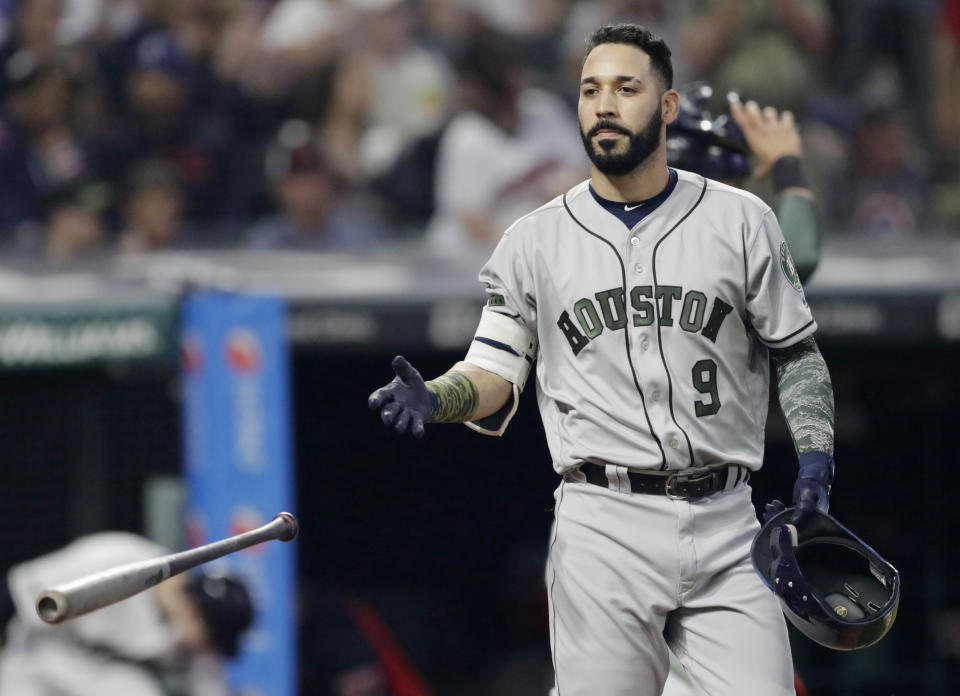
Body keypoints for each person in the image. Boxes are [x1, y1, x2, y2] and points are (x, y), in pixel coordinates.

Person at [368, 23, 835, 696]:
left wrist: (817, 460)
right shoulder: (534, 239)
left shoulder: (740, 221)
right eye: (590, 90)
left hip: (728, 515)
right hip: (603, 522)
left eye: (625, 88)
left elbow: (798, 352)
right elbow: (495, 371)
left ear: (667, 108)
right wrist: (439, 397)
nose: (605, 104)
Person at [0, 531, 254, 696]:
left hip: (99, 672)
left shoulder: (191, 633)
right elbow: (17, 592)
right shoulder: (119, 560)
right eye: (210, 637)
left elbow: (209, 686)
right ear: (194, 611)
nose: (208, 647)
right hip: (34, 651)